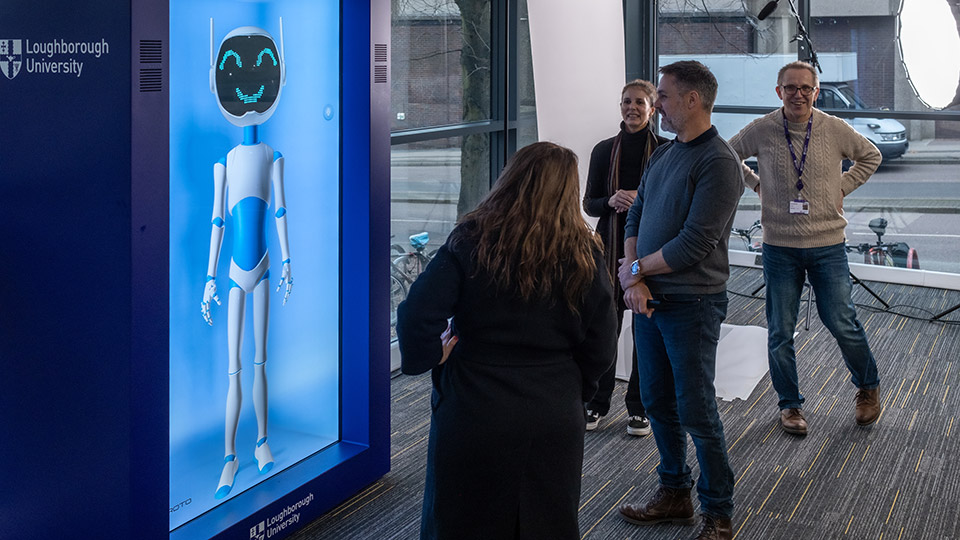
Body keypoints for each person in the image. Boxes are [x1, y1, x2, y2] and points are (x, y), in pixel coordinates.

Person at [397, 142, 617, 540]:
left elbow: (416, 313)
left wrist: (432, 355)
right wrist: (575, 391)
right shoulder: (584, 252)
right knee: (545, 519)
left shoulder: (471, 239)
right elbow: (602, 343)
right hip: (553, 407)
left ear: (510, 179)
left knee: (463, 519)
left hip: (474, 403)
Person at [616, 60, 743, 540]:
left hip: (693, 305)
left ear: (693, 100)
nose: (657, 106)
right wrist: (635, 280)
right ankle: (674, 493)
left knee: (696, 410)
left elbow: (694, 245)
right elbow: (635, 217)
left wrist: (634, 271)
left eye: (664, 97)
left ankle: (718, 511)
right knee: (656, 402)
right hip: (649, 300)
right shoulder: (664, 154)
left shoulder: (720, 163)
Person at [727, 61, 882, 436]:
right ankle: (790, 405)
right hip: (779, 247)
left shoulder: (833, 128)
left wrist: (842, 187)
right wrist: (756, 183)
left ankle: (868, 387)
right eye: (790, 88)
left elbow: (871, 156)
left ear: (816, 92)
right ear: (778, 91)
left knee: (841, 322)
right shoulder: (763, 128)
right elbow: (727, 154)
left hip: (828, 244)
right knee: (780, 331)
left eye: (805, 88)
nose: (798, 94)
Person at [582, 79, 668, 436]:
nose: (631, 108)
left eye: (639, 102)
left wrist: (640, 199)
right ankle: (597, 402)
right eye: (626, 102)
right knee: (606, 329)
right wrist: (611, 200)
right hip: (609, 249)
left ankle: (639, 407)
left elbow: (671, 204)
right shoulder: (603, 150)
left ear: (652, 109)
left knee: (645, 332)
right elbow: (589, 204)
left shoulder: (665, 150)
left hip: (651, 249)